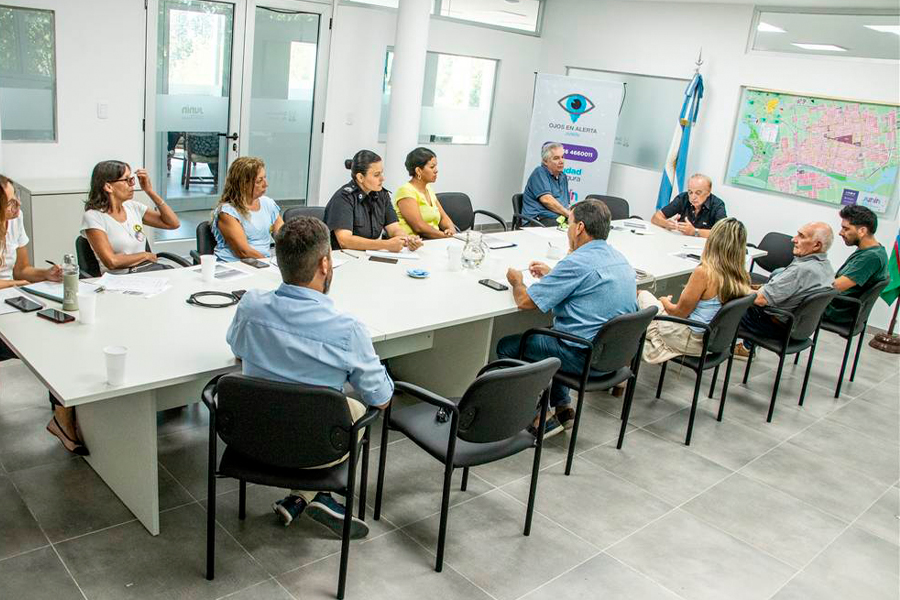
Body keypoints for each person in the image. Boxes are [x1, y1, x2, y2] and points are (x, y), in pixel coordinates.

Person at [226, 216, 393, 537]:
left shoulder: (250, 306)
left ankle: (303, 497)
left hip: (250, 440)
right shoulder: (348, 330)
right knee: (355, 408)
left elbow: (237, 351)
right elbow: (382, 400)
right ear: (326, 264)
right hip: (314, 452)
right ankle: (319, 493)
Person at [497, 199, 637, 437]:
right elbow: (588, 286)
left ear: (580, 228)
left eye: (569, 223)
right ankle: (563, 408)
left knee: (508, 346)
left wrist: (517, 281)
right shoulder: (619, 258)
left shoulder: (578, 261)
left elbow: (525, 302)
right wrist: (554, 276)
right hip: (614, 358)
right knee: (560, 332)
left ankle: (538, 416)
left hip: (584, 358)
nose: (567, 230)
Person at [0, 175, 84, 455]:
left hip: (13, 300)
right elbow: (15, 280)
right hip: (9, 299)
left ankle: (63, 416)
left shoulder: (14, 221)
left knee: (60, 334)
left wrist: (46, 274)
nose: (18, 206)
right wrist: (15, 284)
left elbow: (22, 271)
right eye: (11, 202)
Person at [638, 218, 751, 363]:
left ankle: (623, 353)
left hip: (687, 338)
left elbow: (678, 314)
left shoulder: (705, 273)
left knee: (641, 295)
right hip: (709, 338)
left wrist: (664, 301)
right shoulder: (743, 276)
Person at [735, 222, 835, 357]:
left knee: (721, 301)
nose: (794, 239)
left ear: (817, 245)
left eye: (801, 236)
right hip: (796, 326)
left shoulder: (801, 270)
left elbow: (760, 300)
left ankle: (707, 345)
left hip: (771, 325)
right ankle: (745, 348)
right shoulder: (826, 267)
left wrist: (730, 287)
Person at [81, 161, 181, 274]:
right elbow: (111, 262)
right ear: (108, 187)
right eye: (127, 180)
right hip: (119, 280)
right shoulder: (93, 217)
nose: (132, 184)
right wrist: (144, 255)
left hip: (146, 273)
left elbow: (173, 223)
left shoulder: (133, 207)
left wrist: (149, 191)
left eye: (132, 179)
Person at [324, 150, 423, 252]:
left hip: (368, 256)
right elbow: (345, 241)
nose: (382, 178)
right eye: (376, 175)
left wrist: (407, 239)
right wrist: (386, 244)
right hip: (345, 257)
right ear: (360, 177)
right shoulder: (343, 198)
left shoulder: (381, 194)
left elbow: (394, 228)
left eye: (382, 173)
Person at [824, 205, 888, 325]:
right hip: (837, 304)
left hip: (837, 311)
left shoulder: (871, 257)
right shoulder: (871, 250)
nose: (840, 233)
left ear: (862, 231)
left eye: (846, 229)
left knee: (786, 295)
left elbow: (834, 286)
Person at [211, 157, 283, 261]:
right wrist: (270, 265)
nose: (265, 184)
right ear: (244, 184)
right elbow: (244, 252)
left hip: (262, 262)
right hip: (235, 265)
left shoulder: (268, 204)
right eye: (259, 181)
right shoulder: (227, 212)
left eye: (265, 178)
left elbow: (283, 237)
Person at [393, 147, 457, 238]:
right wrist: (445, 236)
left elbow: (443, 217)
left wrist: (451, 230)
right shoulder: (405, 191)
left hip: (434, 240)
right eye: (432, 167)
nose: (436, 170)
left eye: (436, 166)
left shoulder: (428, 189)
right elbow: (419, 227)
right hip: (414, 243)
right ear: (418, 170)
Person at [651, 174, 727, 238]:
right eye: (690, 192)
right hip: (680, 242)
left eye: (698, 193)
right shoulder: (683, 198)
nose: (693, 197)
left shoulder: (717, 205)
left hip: (703, 248)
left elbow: (723, 234)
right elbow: (655, 217)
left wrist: (695, 232)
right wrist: (666, 223)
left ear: (708, 193)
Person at [522, 142, 570, 226]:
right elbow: (547, 200)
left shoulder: (563, 176)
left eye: (562, 157)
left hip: (557, 219)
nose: (561, 161)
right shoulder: (540, 172)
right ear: (545, 161)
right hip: (537, 220)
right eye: (556, 158)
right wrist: (569, 215)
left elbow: (566, 204)